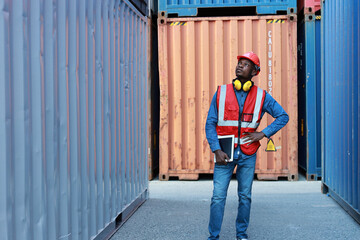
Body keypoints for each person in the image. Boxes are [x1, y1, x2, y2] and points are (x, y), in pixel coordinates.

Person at [205, 52, 289, 240]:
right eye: (239, 63)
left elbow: (283, 116)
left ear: (254, 72)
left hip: (248, 153)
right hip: (224, 153)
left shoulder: (262, 96)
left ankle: (241, 234)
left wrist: (263, 133)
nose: (240, 66)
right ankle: (213, 237)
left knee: (245, 196)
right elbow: (210, 122)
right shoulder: (222, 92)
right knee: (218, 196)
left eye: (246, 64)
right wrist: (216, 149)